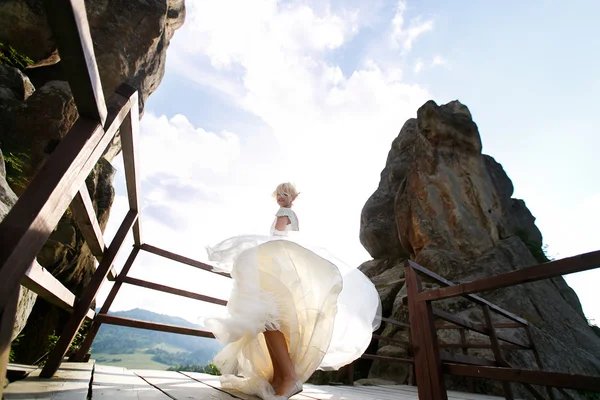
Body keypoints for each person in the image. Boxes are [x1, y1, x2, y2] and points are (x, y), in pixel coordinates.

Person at [205, 183, 381, 400]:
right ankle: (281, 377)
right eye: (279, 194)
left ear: (293, 198)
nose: (281, 197)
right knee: (267, 320)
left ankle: (288, 377)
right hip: (282, 264)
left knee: (269, 318)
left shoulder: (285, 213)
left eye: (285, 194)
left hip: (280, 265)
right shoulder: (288, 213)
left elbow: (278, 236)